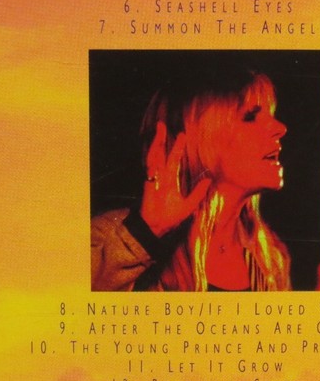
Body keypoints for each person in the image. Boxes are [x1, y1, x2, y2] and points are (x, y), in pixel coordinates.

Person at [91, 67, 291, 291]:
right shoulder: (104, 240)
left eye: (271, 115)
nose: (280, 128)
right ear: (196, 141)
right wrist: (145, 233)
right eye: (250, 117)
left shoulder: (272, 258)